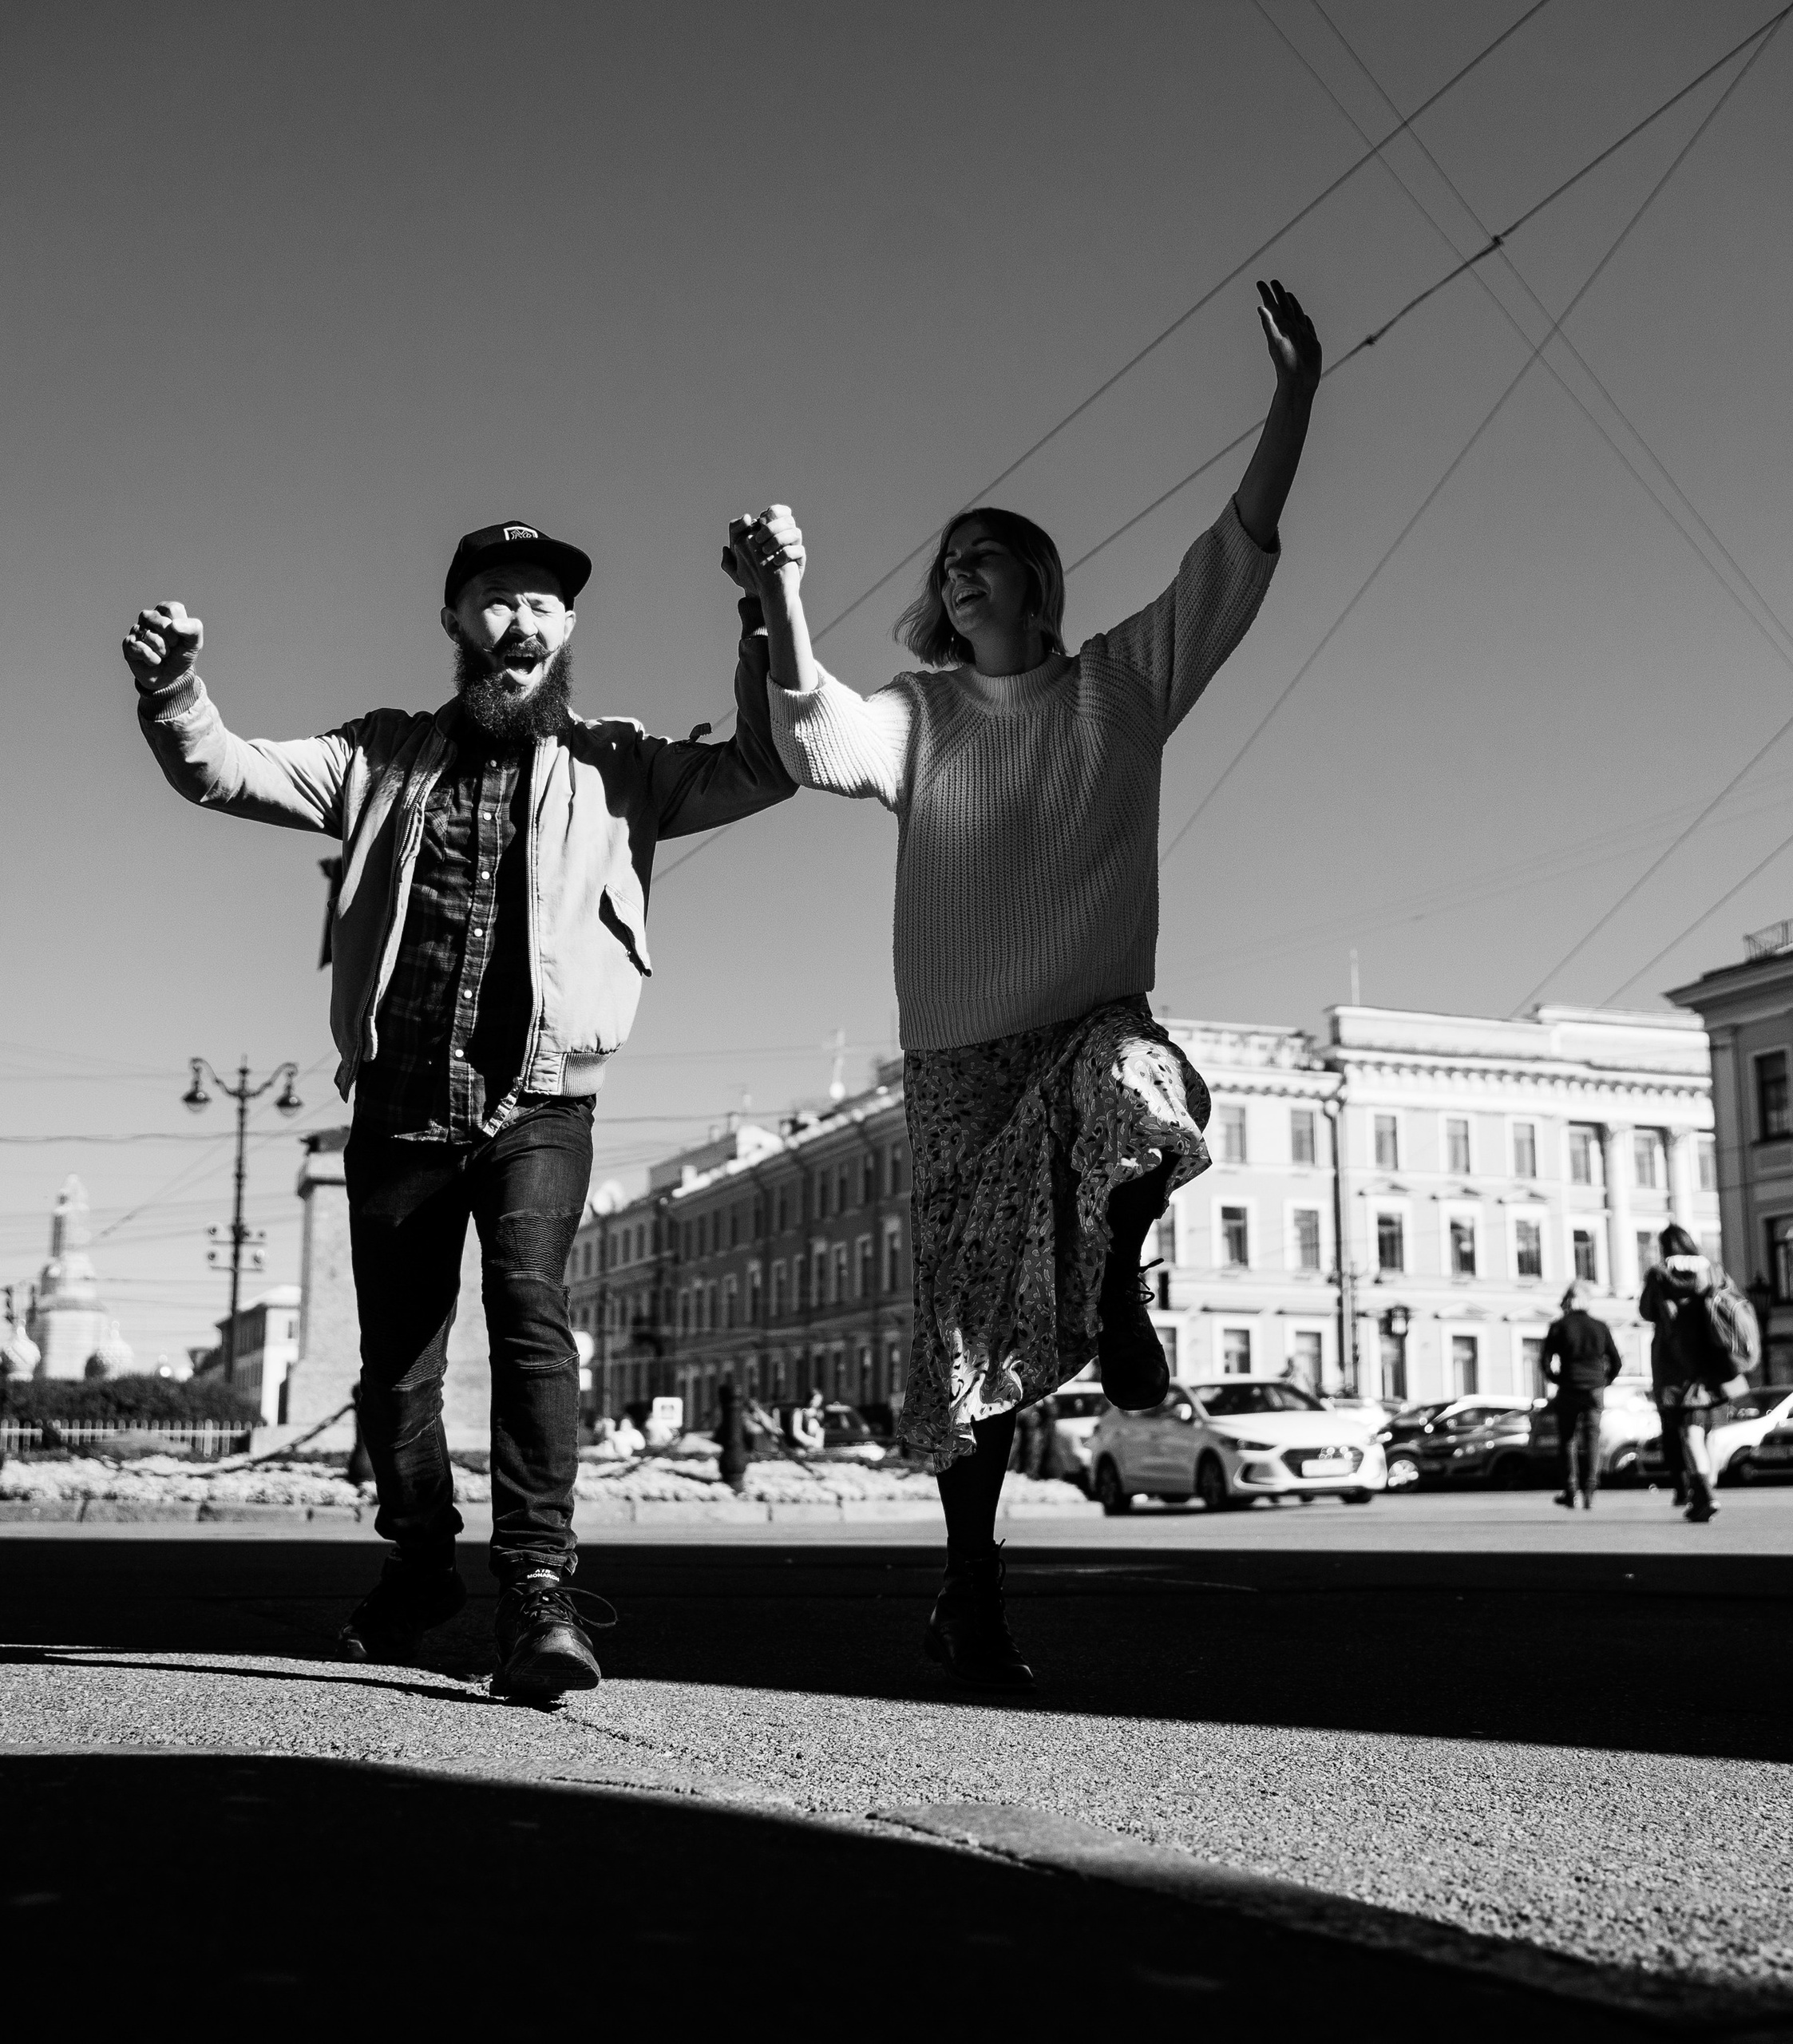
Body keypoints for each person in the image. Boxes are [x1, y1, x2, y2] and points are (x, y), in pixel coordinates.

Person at [729, 281, 1319, 1689]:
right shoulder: (917, 717)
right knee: (966, 1333)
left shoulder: (1125, 684)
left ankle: (1117, 1287)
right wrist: (778, 595)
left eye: (989, 557)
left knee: (1141, 1089)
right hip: (958, 1057)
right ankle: (971, 1591)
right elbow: (816, 735)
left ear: (1041, 584)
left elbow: (1232, 560)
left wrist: (1295, 401)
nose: (961, 577)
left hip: (1086, 1014)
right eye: (950, 565)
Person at [125, 519, 795, 1698]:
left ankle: (538, 1589)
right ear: (455, 622)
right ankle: (423, 1556)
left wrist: (762, 611)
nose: (522, 620)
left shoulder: (617, 761)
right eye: (496, 597)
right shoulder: (378, 755)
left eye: (545, 602)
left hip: (541, 1099)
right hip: (399, 1103)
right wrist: (178, 689)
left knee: (531, 1312)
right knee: (398, 1368)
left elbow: (762, 763)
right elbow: (218, 767)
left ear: (570, 630)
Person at [1639, 1223, 1735, 1523]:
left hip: (1676, 1365)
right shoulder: (1712, 1269)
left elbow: (1646, 1312)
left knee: (1689, 1432)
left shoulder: (1658, 1274)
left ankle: (1705, 1494)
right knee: (1706, 1431)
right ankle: (1701, 1492)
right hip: (1712, 1362)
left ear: (1666, 1247)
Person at [1539, 1281, 1623, 1509]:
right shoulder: (1600, 1326)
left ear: (1567, 1300)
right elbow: (1616, 1361)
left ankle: (1570, 1490)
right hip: (1594, 1390)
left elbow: (1545, 1363)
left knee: (1568, 1440)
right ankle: (1590, 1490)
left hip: (1569, 1388)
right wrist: (1604, 1382)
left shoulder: (1559, 1326)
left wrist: (1558, 1379)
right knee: (1592, 1438)